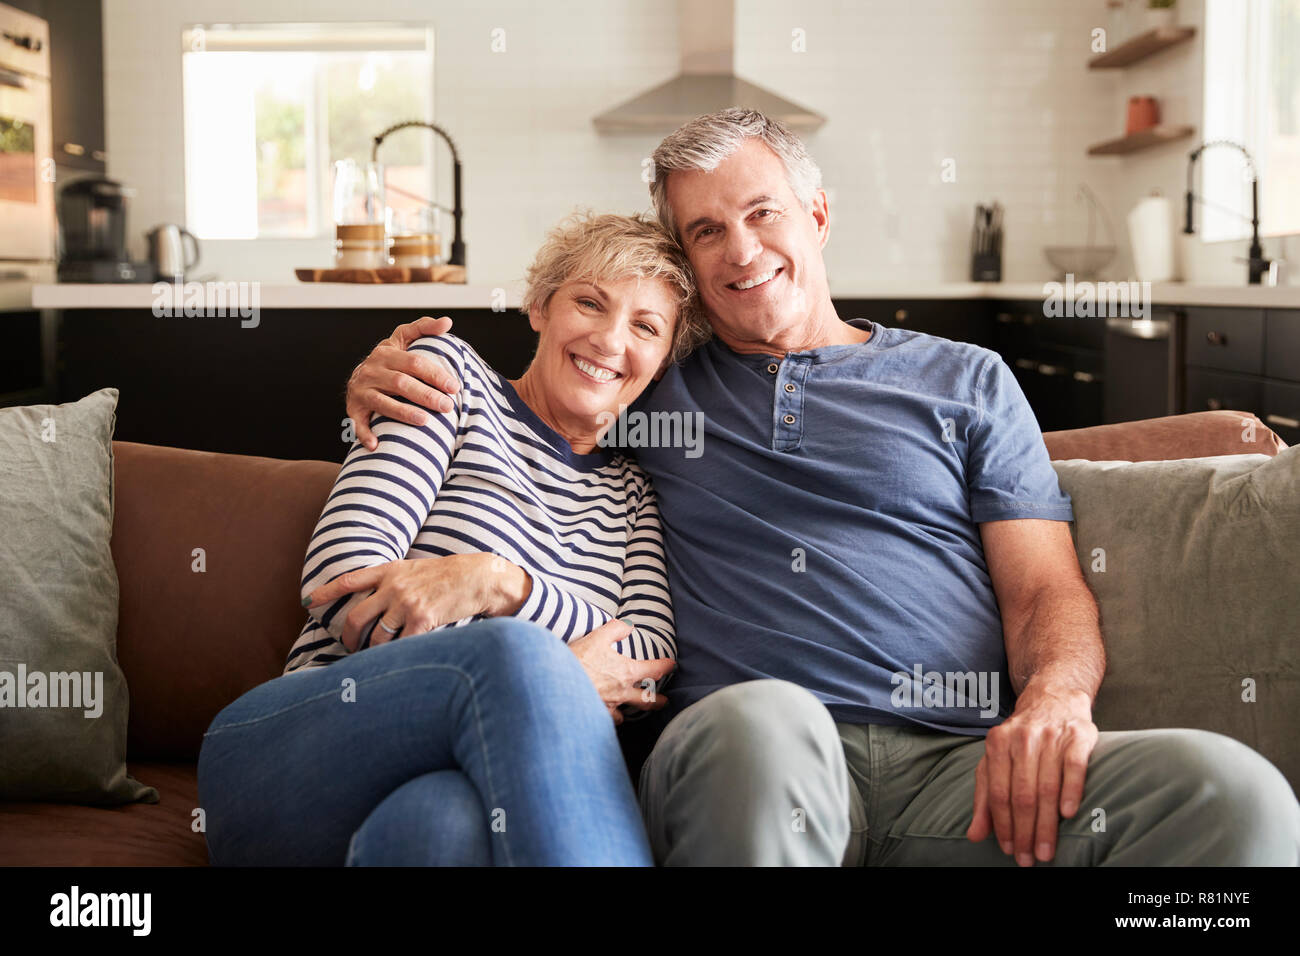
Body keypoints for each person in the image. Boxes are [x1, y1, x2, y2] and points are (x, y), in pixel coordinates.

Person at [344, 109, 1300, 866]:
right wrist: (391, 376)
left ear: (819, 216)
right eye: (706, 231)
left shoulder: (964, 379)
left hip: (961, 773)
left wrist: (1054, 699)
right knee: (770, 717)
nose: (740, 248)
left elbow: (1045, 589)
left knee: (1231, 791)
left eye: (762, 212)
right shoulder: (656, 377)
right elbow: (537, 399)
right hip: (748, 761)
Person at [197, 211, 707, 866]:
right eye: (589, 302)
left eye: (645, 326)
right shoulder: (450, 382)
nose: (610, 340)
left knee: (444, 825)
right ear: (538, 307)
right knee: (514, 657)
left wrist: (499, 586)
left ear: (662, 362)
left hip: (450, 790)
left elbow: (645, 663)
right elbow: (343, 583)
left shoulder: (635, 495)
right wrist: (537, 668)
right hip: (294, 754)